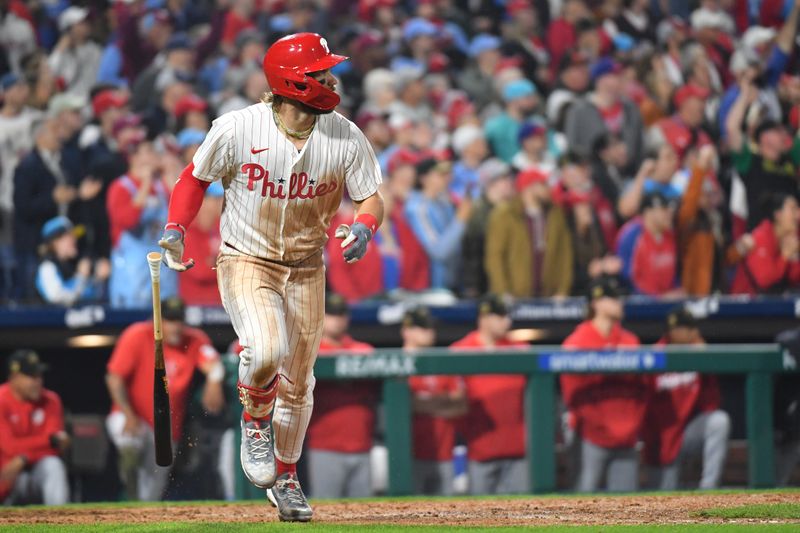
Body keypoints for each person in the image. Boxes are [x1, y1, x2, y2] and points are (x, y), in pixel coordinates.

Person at [158, 33, 383, 522]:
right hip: (247, 259)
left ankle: (285, 478)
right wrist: (176, 226)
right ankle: (255, 420)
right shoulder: (238, 128)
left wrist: (364, 228)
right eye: (319, 72)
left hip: (306, 267)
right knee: (265, 349)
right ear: (291, 80)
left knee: (299, 384)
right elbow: (194, 178)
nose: (330, 78)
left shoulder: (345, 135)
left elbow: (370, 197)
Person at [105, 298, 224, 501]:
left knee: (153, 492)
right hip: (132, 418)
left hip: (167, 430)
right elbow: (114, 378)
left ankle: (139, 515)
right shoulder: (137, 335)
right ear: (158, 320)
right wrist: (128, 414)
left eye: (179, 320)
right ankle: (130, 489)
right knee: (130, 443)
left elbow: (214, 364)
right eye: (169, 320)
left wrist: (214, 380)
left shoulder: (194, 339)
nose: (175, 327)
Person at [561, 277, 651, 493]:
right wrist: (599, 427)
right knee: (581, 510)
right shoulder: (576, 343)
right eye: (614, 298)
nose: (620, 303)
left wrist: (631, 424)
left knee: (626, 511)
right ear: (597, 303)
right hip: (590, 438)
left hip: (626, 437)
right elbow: (572, 397)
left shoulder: (631, 341)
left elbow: (644, 389)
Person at [643, 307, 730, 490]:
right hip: (661, 438)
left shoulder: (699, 353)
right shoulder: (654, 356)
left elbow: (711, 403)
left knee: (719, 421)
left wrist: (704, 360)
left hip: (688, 433)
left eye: (683, 328)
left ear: (693, 332)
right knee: (661, 503)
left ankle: (708, 490)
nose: (677, 332)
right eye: (674, 329)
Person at [452, 294, 528, 494]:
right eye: (501, 316)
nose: (507, 321)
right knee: (480, 519)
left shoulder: (521, 351)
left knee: (523, 517)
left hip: (519, 451)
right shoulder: (460, 352)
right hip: (480, 451)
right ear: (484, 318)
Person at [306, 293, 377, 498]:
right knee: (326, 513)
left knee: (366, 518)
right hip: (325, 447)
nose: (337, 320)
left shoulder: (362, 349)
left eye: (341, 314)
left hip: (362, 446)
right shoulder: (310, 350)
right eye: (331, 314)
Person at [107, 133, 176, 308]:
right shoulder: (120, 187)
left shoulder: (161, 187)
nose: (155, 154)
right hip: (132, 277)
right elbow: (129, 221)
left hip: (163, 273)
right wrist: (145, 183)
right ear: (133, 157)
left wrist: (169, 172)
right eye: (148, 151)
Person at [404, 307, 466, 495]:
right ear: (406, 330)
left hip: (444, 454)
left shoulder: (442, 362)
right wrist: (443, 401)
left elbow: (462, 404)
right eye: (422, 328)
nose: (429, 332)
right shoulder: (397, 362)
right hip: (410, 456)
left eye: (430, 328)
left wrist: (425, 404)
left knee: (446, 514)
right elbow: (406, 406)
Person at [485, 168, 573, 298]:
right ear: (529, 187)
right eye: (543, 184)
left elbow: (565, 255)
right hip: (516, 295)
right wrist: (502, 292)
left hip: (549, 296)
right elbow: (495, 257)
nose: (548, 189)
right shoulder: (505, 215)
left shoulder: (555, 215)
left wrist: (563, 290)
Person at [0, 350, 70, 505]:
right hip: (7, 476)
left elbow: (56, 445)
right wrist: (46, 441)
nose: (38, 382)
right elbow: (9, 447)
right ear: (14, 378)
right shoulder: (1, 400)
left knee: (53, 465)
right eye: (32, 377)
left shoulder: (51, 400)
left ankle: (63, 522)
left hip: (37, 472)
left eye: (39, 376)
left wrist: (23, 457)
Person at [404, 158, 472, 291]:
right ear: (423, 179)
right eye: (440, 174)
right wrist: (461, 220)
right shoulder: (418, 208)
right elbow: (438, 251)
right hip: (432, 285)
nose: (446, 178)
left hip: (453, 280)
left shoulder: (443, 202)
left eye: (447, 174)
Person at [731, 193, 800, 295]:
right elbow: (765, 280)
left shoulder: (790, 238)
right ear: (778, 215)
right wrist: (784, 256)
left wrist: (794, 256)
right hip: (744, 303)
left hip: (775, 302)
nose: (798, 215)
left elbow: (795, 278)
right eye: (793, 209)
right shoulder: (761, 237)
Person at [36, 216, 108, 306]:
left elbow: (90, 296)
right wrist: (81, 278)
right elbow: (56, 297)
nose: (74, 240)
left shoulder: (71, 263)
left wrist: (98, 280)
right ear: (55, 242)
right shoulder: (47, 266)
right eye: (69, 237)